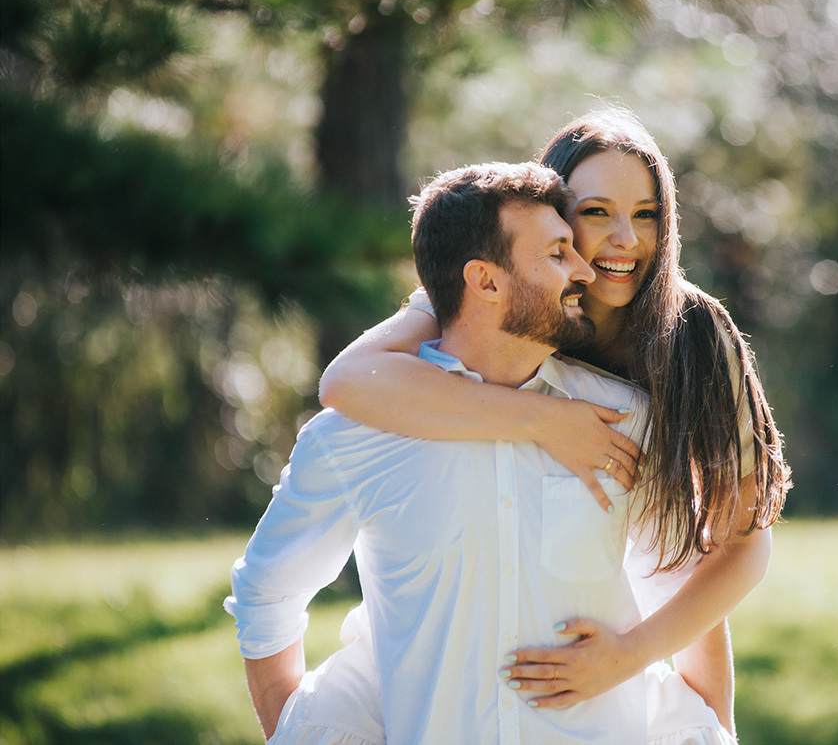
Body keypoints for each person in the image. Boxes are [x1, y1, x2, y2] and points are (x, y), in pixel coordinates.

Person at [225, 161, 737, 745]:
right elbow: (267, 593)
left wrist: (718, 727)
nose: (582, 271)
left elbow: (680, 584)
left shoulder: (625, 419)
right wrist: (300, 734)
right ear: (486, 282)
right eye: (556, 254)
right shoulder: (356, 437)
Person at [319, 109, 792, 734]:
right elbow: (346, 382)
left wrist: (635, 659)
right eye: (596, 212)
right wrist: (546, 420)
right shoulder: (501, 293)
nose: (627, 239)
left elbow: (739, 544)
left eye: (646, 214)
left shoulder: (694, 335)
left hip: (661, 600)